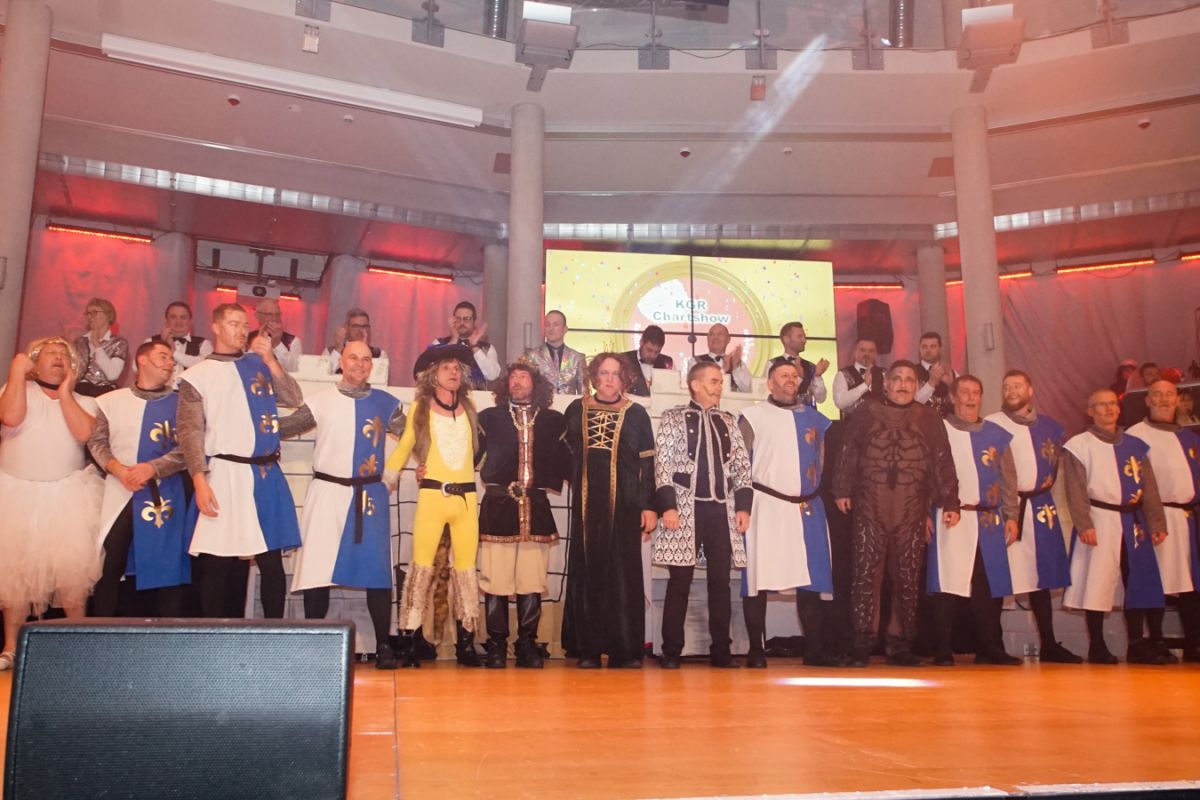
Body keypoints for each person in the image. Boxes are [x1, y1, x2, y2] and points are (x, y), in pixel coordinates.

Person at [281, 341, 406, 669]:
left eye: (366, 359)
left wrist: (409, 466)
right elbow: (284, 428)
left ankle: (384, 645)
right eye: (353, 358)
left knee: (377, 571)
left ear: (371, 366)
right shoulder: (320, 401)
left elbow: (413, 438)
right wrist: (251, 426)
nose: (360, 364)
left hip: (369, 496)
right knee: (318, 569)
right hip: (327, 492)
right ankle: (315, 645)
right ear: (342, 361)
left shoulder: (386, 403)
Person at [178, 303, 303, 619]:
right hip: (224, 473)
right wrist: (199, 480)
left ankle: (274, 633)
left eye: (244, 324)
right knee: (217, 561)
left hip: (264, 473)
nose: (240, 330)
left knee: (271, 559)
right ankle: (212, 635)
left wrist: (270, 360)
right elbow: (190, 432)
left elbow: (293, 398)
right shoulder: (196, 376)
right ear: (216, 327)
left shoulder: (258, 364)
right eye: (233, 323)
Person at [833, 360, 959, 666]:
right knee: (865, 574)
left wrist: (951, 502)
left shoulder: (929, 418)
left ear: (917, 386)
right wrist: (841, 488)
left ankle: (900, 643)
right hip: (870, 505)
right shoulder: (866, 412)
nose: (903, 384)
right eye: (897, 379)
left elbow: (942, 460)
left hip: (910, 507)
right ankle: (862, 643)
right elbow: (849, 450)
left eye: (910, 380)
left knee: (907, 576)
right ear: (886, 383)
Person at [0, 337, 104, 669]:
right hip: (16, 493)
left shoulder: (86, 401)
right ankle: (11, 647)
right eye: (51, 353)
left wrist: (66, 393)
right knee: (16, 574)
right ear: (35, 361)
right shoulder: (16, 388)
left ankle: (78, 644)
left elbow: (84, 434)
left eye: (64, 354)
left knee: (72, 575)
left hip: (66, 495)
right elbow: (10, 417)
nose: (59, 358)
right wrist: (17, 373)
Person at [738, 360, 842, 667]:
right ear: (770, 383)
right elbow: (740, 465)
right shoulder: (753, 417)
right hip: (765, 507)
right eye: (783, 375)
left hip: (806, 508)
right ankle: (756, 650)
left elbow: (822, 462)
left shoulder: (817, 419)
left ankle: (815, 649)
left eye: (794, 376)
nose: (790, 380)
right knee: (757, 579)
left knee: (811, 579)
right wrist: (741, 505)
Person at [383, 344, 482, 667]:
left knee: (466, 571)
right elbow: (406, 445)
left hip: (466, 500)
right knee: (420, 568)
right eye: (446, 367)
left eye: (457, 368)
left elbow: (479, 452)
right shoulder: (421, 407)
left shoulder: (469, 409)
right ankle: (408, 642)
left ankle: (466, 644)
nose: (453, 373)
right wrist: (387, 478)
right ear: (433, 375)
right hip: (432, 497)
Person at [654, 361, 752, 669]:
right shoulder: (673, 418)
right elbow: (663, 465)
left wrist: (743, 507)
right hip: (685, 509)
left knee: (720, 583)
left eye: (720, 381)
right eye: (713, 381)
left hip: (720, 510)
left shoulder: (729, 421)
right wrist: (668, 506)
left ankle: (721, 651)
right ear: (695, 385)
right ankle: (671, 651)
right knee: (679, 582)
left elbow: (742, 468)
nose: (719, 386)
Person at [562, 353, 657, 667]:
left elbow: (648, 464)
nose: (609, 379)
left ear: (624, 379)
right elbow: (562, 453)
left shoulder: (637, 414)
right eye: (604, 373)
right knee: (588, 572)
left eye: (616, 374)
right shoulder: (576, 409)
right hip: (587, 508)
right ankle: (588, 649)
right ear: (594, 376)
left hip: (626, 507)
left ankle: (624, 649)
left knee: (623, 575)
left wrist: (649, 506)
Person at [1062, 389, 1169, 664]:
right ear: (1090, 411)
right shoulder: (1079, 445)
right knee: (1096, 582)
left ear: (1119, 409)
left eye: (1112, 404)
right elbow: (1075, 489)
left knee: (1139, 580)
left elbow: (1149, 487)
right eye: (1101, 405)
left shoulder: (1135, 445)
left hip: (1133, 521)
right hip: (1099, 519)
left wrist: (1156, 521)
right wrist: (1084, 523)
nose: (1108, 409)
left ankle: (1136, 643)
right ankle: (1097, 646)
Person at [477, 361, 570, 669]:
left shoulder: (553, 421)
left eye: (523, 376)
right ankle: (497, 645)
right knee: (496, 580)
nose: (516, 381)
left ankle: (527, 645)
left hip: (536, 508)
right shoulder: (488, 418)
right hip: (498, 508)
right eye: (512, 376)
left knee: (531, 579)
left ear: (535, 383)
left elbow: (571, 462)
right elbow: (466, 455)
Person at [88, 340, 191, 618]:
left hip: (164, 491)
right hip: (120, 490)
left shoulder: (182, 403)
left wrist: (153, 468)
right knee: (110, 565)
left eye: (171, 359)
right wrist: (119, 470)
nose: (170, 363)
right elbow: (97, 442)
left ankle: (167, 636)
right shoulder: (110, 401)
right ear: (142, 360)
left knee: (167, 568)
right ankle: (102, 634)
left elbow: (189, 447)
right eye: (163, 356)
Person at [985, 370, 1081, 663]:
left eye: (1017, 385)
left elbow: (1054, 468)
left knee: (1041, 578)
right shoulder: (992, 424)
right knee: (1000, 577)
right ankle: (993, 645)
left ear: (1030, 390)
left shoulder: (1050, 427)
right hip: (1005, 509)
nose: (1011, 390)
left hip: (1040, 507)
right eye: (1006, 387)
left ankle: (1049, 644)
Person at [927, 375, 1022, 666]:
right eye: (965, 392)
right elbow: (926, 475)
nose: (970, 397)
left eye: (976, 392)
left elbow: (1008, 478)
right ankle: (942, 648)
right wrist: (923, 513)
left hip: (989, 518)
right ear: (953, 397)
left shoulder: (997, 434)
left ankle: (990, 647)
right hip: (951, 516)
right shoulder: (939, 430)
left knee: (988, 585)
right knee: (947, 584)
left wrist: (1012, 515)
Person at [1127, 380, 1200, 662]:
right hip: (1151, 519)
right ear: (1147, 400)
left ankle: (1194, 643)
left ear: (1178, 400)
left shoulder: (1190, 438)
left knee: (1190, 584)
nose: (1164, 399)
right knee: (1153, 582)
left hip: (1187, 519)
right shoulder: (1135, 436)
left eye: (1169, 394)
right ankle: (1152, 642)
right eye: (1157, 394)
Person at [431, 301, 500, 390]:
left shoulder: (487, 348)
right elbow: (431, 372)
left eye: (466, 319)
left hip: (477, 397)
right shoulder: (438, 343)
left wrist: (475, 347)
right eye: (458, 318)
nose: (462, 322)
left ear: (474, 322)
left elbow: (492, 375)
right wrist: (454, 339)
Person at [146, 301, 213, 388]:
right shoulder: (151, 342)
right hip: (157, 393)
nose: (178, 321)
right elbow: (137, 367)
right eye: (173, 317)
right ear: (166, 321)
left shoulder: (203, 344)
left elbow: (206, 367)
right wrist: (162, 345)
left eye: (183, 317)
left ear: (190, 321)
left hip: (190, 395)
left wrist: (174, 352)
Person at [765, 321, 829, 408]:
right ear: (786, 339)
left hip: (807, 415)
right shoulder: (773, 364)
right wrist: (798, 377)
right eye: (799, 336)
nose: (804, 340)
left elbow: (821, 399)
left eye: (804, 336)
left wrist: (818, 376)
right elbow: (769, 393)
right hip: (782, 413)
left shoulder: (810, 366)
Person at [74, 297, 129, 396]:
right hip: (79, 392)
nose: (90, 317)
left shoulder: (119, 343)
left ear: (108, 315)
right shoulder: (79, 342)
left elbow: (112, 375)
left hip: (104, 393)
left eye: (94, 312)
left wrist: (97, 346)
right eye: (88, 313)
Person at [529, 310, 587, 395]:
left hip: (570, 403)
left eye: (555, 324)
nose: (551, 328)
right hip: (542, 402)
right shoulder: (532, 356)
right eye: (547, 325)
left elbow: (584, 392)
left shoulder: (577, 358)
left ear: (565, 329)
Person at [323, 308, 389, 376]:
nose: (360, 330)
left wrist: (364, 350)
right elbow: (323, 376)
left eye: (364, 326)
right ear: (346, 328)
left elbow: (377, 377)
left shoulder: (379, 354)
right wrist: (338, 350)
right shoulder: (329, 352)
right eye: (355, 326)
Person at [832, 339, 885, 417]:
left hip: (881, 423)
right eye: (862, 350)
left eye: (871, 351)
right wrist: (864, 385)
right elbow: (840, 402)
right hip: (852, 423)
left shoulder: (884, 373)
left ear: (876, 354)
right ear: (855, 352)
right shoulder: (843, 374)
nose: (867, 354)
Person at [693, 323, 752, 393]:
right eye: (712, 334)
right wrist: (724, 371)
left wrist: (735, 368)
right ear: (707, 338)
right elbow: (696, 389)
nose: (715, 337)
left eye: (720, 334)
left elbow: (748, 390)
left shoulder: (738, 363)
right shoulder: (695, 362)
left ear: (728, 339)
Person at [249, 297, 303, 372]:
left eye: (277, 314)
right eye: (269, 314)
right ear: (257, 315)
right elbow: (245, 365)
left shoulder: (293, 341)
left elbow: (295, 369)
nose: (274, 318)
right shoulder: (247, 338)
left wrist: (278, 344)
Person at [622, 325, 674, 397]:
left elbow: (672, 393)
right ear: (641, 342)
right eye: (649, 350)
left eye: (657, 352)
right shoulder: (624, 360)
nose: (652, 355)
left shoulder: (668, 363)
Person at [913, 332, 955, 417]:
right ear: (919, 349)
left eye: (932, 346)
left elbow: (960, 403)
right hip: (923, 421)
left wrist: (951, 385)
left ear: (939, 348)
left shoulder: (951, 372)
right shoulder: (912, 372)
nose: (928, 350)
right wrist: (932, 382)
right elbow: (913, 403)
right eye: (924, 347)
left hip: (948, 422)